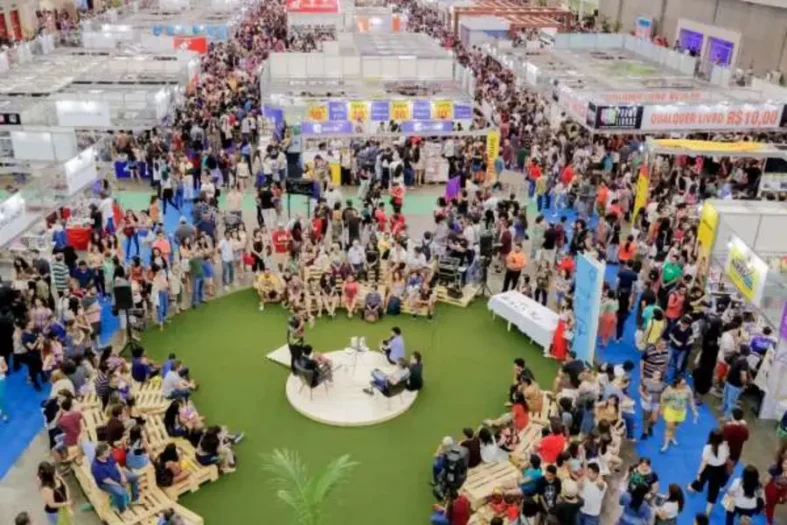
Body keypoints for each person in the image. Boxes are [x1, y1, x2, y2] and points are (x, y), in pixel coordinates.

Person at [688, 429, 730, 515]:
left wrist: (698, 473)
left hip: (709, 467)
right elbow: (727, 457)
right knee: (714, 490)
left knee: (701, 478)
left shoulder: (708, 448)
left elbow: (704, 462)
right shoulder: (725, 445)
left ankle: (693, 488)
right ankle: (708, 511)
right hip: (720, 469)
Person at [91, 442, 140, 513]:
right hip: (106, 483)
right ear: (102, 454)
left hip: (117, 475)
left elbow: (116, 464)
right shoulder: (95, 467)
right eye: (108, 451)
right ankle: (122, 510)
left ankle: (135, 499)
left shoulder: (108, 455)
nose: (110, 452)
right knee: (120, 492)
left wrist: (122, 476)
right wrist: (118, 484)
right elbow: (105, 480)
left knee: (135, 477)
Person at [660, 377, 698, 452]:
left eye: (685, 383)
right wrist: (662, 409)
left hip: (681, 412)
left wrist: (694, 411)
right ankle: (666, 444)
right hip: (671, 411)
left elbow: (691, 400)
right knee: (669, 428)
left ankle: (672, 437)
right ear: (677, 384)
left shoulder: (687, 389)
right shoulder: (670, 389)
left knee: (675, 426)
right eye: (683, 383)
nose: (685, 385)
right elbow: (663, 398)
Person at [723, 407, 750, 473]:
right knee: (732, 465)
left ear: (732, 416)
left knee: (725, 468)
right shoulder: (745, 429)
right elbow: (746, 439)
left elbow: (724, 441)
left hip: (727, 451)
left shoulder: (728, 428)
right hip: (738, 450)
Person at [764, 454, 787, 524]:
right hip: (771, 489)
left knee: (771, 506)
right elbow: (768, 478)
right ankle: (767, 517)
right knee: (768, 503)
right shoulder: (776, 469)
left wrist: (784, 496)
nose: (786, 466)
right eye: (785, 463)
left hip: (779, 493)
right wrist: (765, 483)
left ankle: (768, 518)